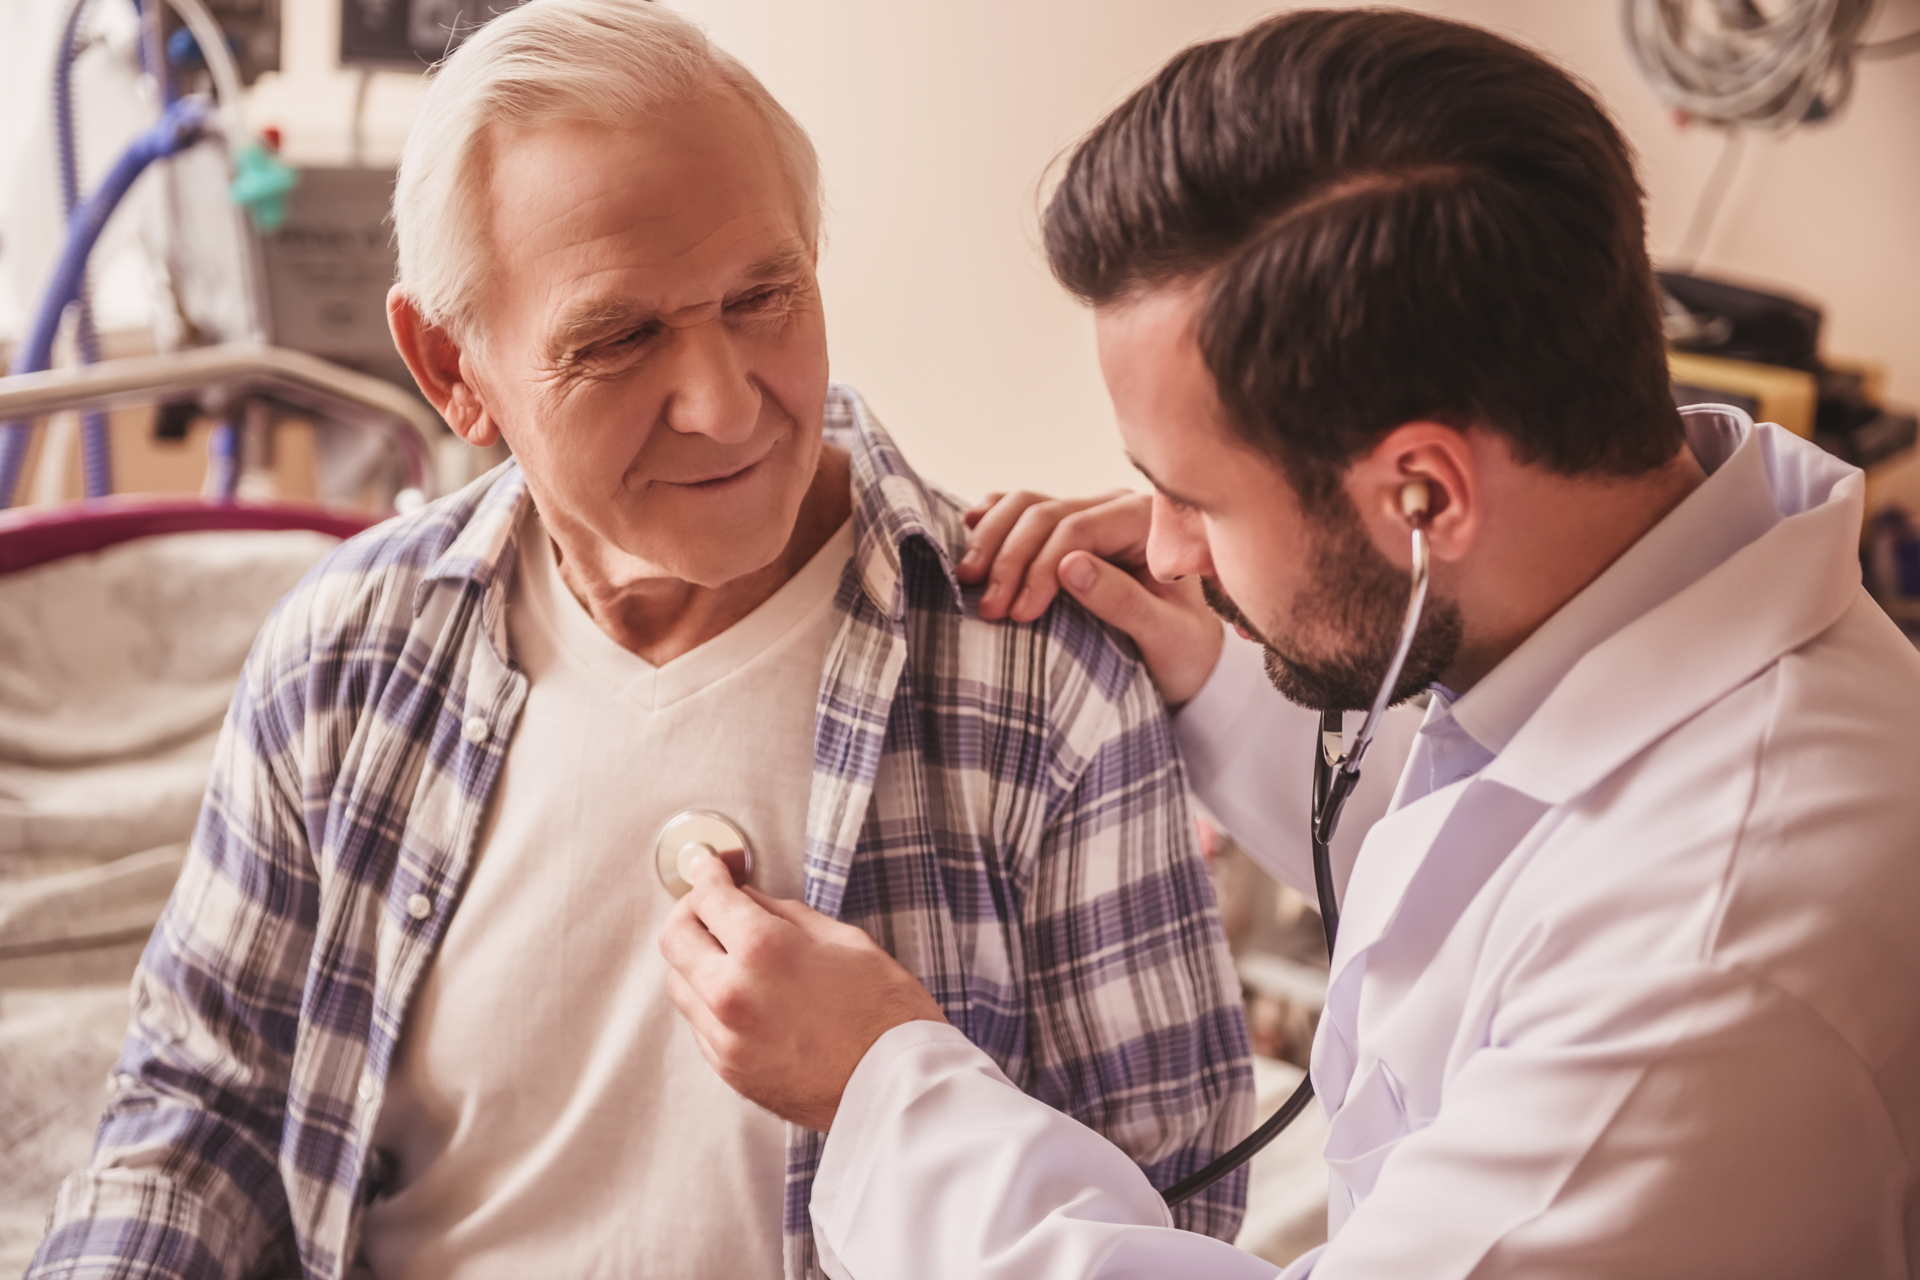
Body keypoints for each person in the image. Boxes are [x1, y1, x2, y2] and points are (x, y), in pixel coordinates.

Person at [659, 9, 1920, 1278]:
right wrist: (1216, 674)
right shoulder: (1614, 602)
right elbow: (1505, 860)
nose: (1162, 549)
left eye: (1193, 499)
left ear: (1423, 495)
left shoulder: (1716, 953)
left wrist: (884, 1089)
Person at [25, 3, 1257, 1277]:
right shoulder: (344, 655)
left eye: (764, 295)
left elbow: (1174, 1196)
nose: (726, 406)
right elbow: (204, 1105)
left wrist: (891, 1073)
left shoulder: (1040, 678)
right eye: (619, 337)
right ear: (452, 365)